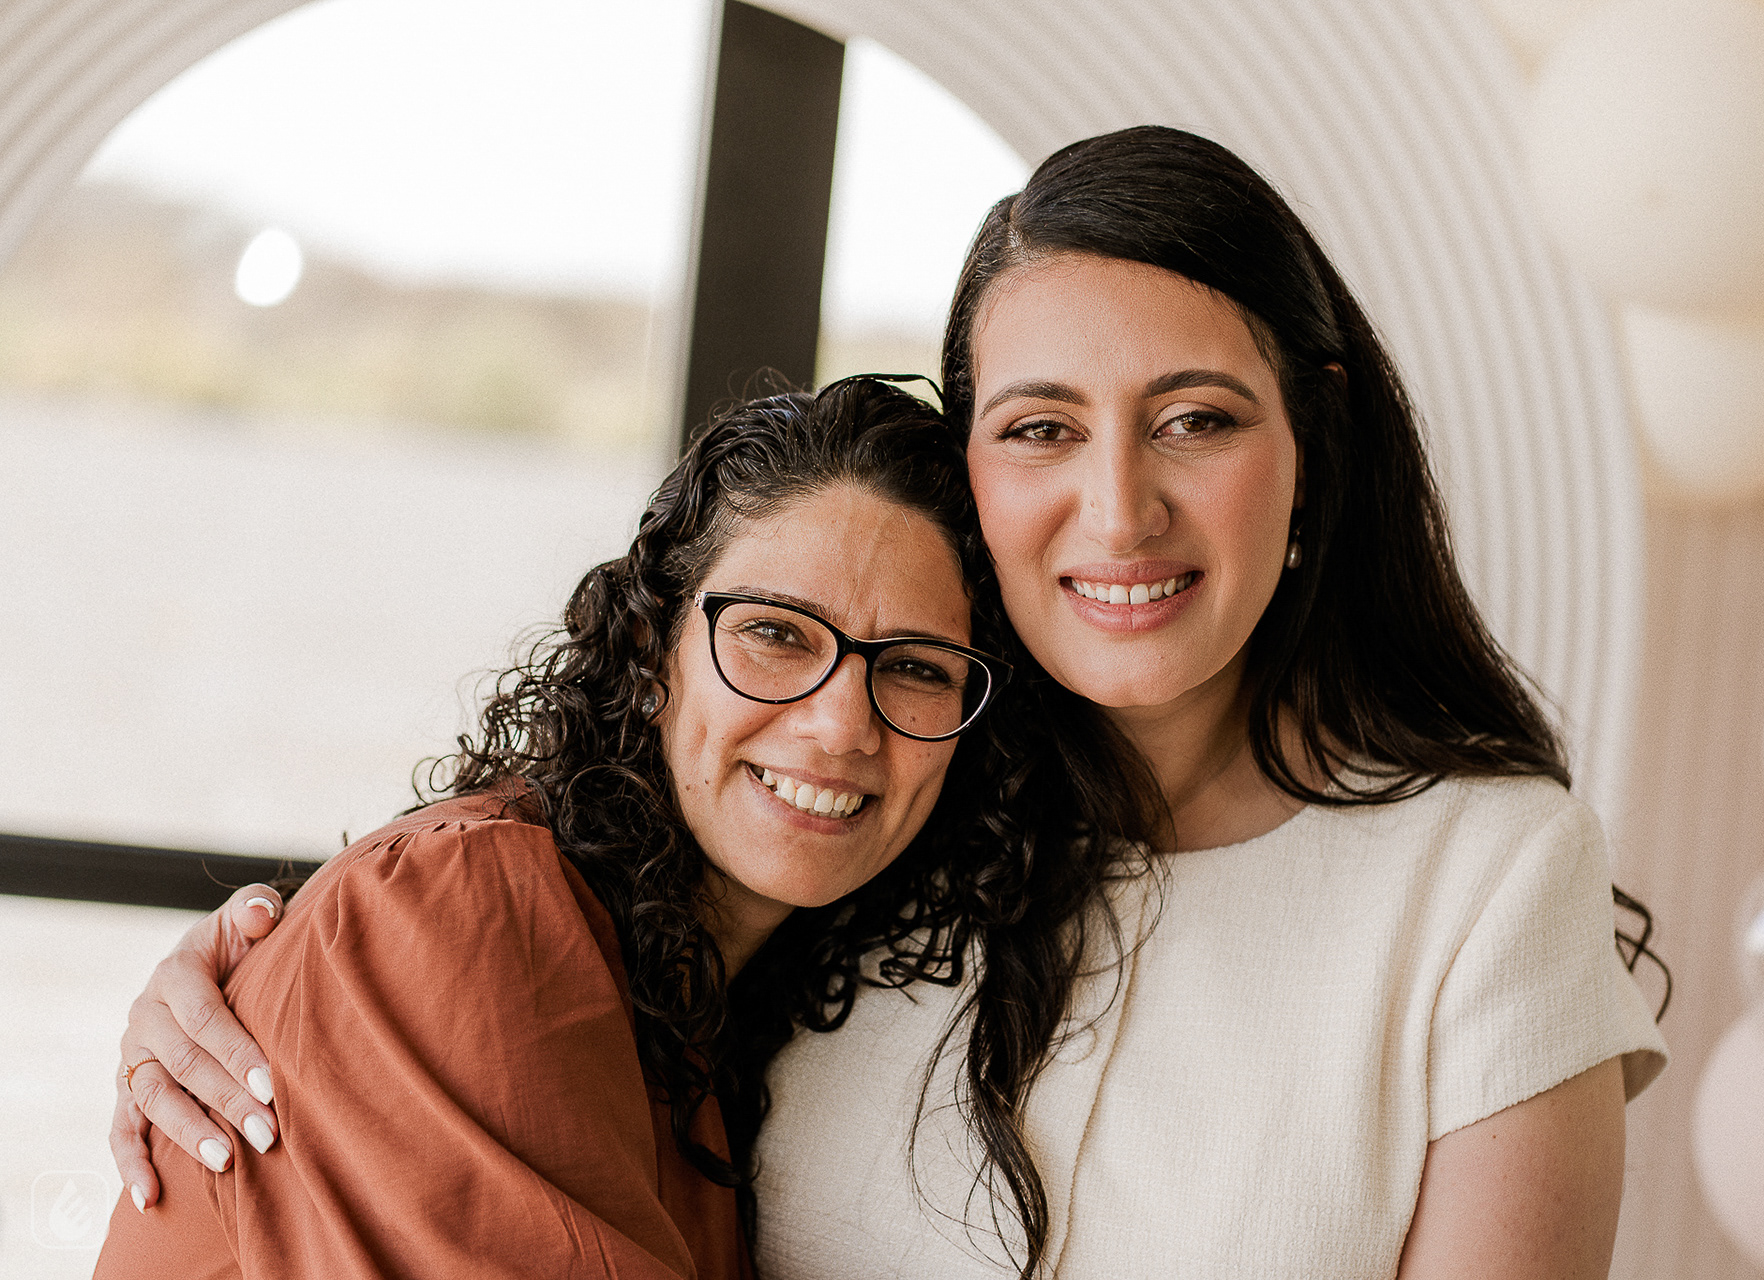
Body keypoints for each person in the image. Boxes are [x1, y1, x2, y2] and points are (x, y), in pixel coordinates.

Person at [112, 127, 1668, 1279]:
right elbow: (503, 992)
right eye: (1043, 427)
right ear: (979, 466)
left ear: (1314, 443)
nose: (1119, 511)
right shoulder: (899, 833)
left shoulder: (1483, 878)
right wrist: (278, 966)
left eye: (1196, 419)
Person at [93, 376, 1020, 1279]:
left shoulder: (713, 1016)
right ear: (652, 651)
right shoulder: (462, 911)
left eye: (917, 668)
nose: (842, 725)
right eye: (776, 633)